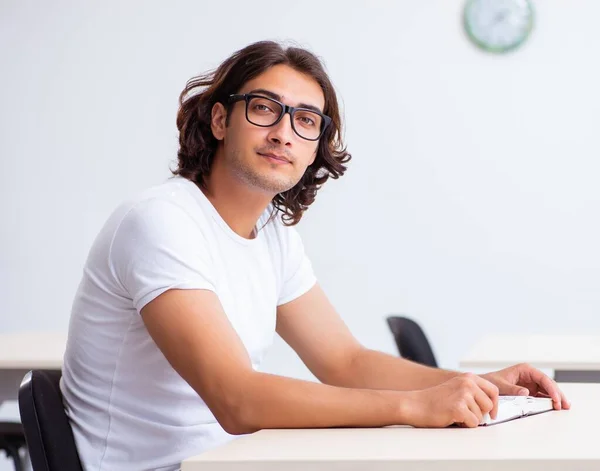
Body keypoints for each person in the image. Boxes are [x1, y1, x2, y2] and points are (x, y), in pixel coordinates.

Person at [61, 40, 570, 471]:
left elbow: (345, 362)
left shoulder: (272, 236)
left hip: (231, 462)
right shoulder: (160, 221)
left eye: (306, 120)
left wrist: (480, 385)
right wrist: (415, 405)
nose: (284, 131)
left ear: (315, 147)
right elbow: (237, 399)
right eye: (264, 108)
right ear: (220, 120)